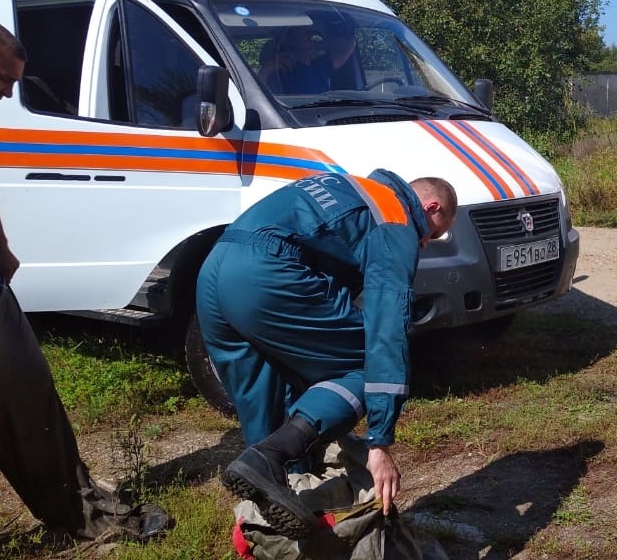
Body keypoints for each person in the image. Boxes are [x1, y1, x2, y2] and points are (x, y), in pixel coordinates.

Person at [0, 20, 171, 560]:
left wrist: (1, 246)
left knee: (34, 402)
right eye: (3, 80)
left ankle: (76, 511)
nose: (10, 93)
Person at [196, 170, 458, 537]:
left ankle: (264, 516)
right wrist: (379, 440)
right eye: (432, 234)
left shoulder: (350, 186)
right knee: (368, 363)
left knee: (264, 388)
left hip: (215, 268)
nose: (425, 244)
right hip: (267, 275)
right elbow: (386, 329)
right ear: (430, 207)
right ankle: (271, 457)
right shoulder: (396, 219)